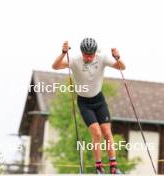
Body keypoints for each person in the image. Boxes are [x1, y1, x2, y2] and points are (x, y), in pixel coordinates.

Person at [52, 38, 126, 174]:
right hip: (84, 102)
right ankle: (98, 167)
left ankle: (114, 167)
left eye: (91, 54)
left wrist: (118, 57)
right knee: (96, 133)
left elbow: (122, 67)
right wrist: (63, 53)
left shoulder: (102, 58)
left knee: (107, 133)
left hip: (99, 100)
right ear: (82, 52)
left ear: (95, 52)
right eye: (86, 54)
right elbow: (55, 66)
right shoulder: (75, 60)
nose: (89, 57)